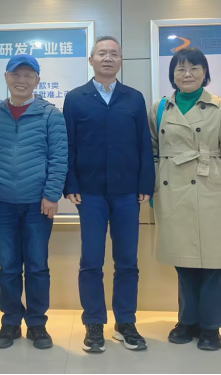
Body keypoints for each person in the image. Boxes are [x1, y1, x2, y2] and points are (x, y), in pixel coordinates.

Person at [149, 48, 221, 352]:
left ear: (205, 73)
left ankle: (211, 326)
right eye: (180, 69)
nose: (187, 74)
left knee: (212, 262)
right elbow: (150, 151)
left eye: (194, 68)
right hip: (171, 188)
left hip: (210, 188)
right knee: (183, 261)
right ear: (172, 75)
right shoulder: (160, 108)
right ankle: (187, 321)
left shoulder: (219, 107)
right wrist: (152, 188)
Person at [63, 36, 154, 354]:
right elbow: (69, 145)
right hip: (89, 193)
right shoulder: (75, 98)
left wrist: (145, 184)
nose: (108, 58)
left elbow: (144, 144)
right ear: (91, 60)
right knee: (91, 260)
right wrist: (70, 184)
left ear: (120, 60)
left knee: (127, 260)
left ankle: (125, 322)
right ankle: (93, 323)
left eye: (114, 53)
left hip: (127, 191)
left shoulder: (134, 98)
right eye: (102, 53)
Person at [0, 54, 68, 350]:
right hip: (2, 203)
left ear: (37, 81)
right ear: (6, 77)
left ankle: (37, 323)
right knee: (8, 266)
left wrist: (51, 195)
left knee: (37, 266)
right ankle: (11, 322)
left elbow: (59, 158)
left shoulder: (51, 115)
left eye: (28, 75)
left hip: (38, 205)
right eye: (16, 75)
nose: (21, 80)